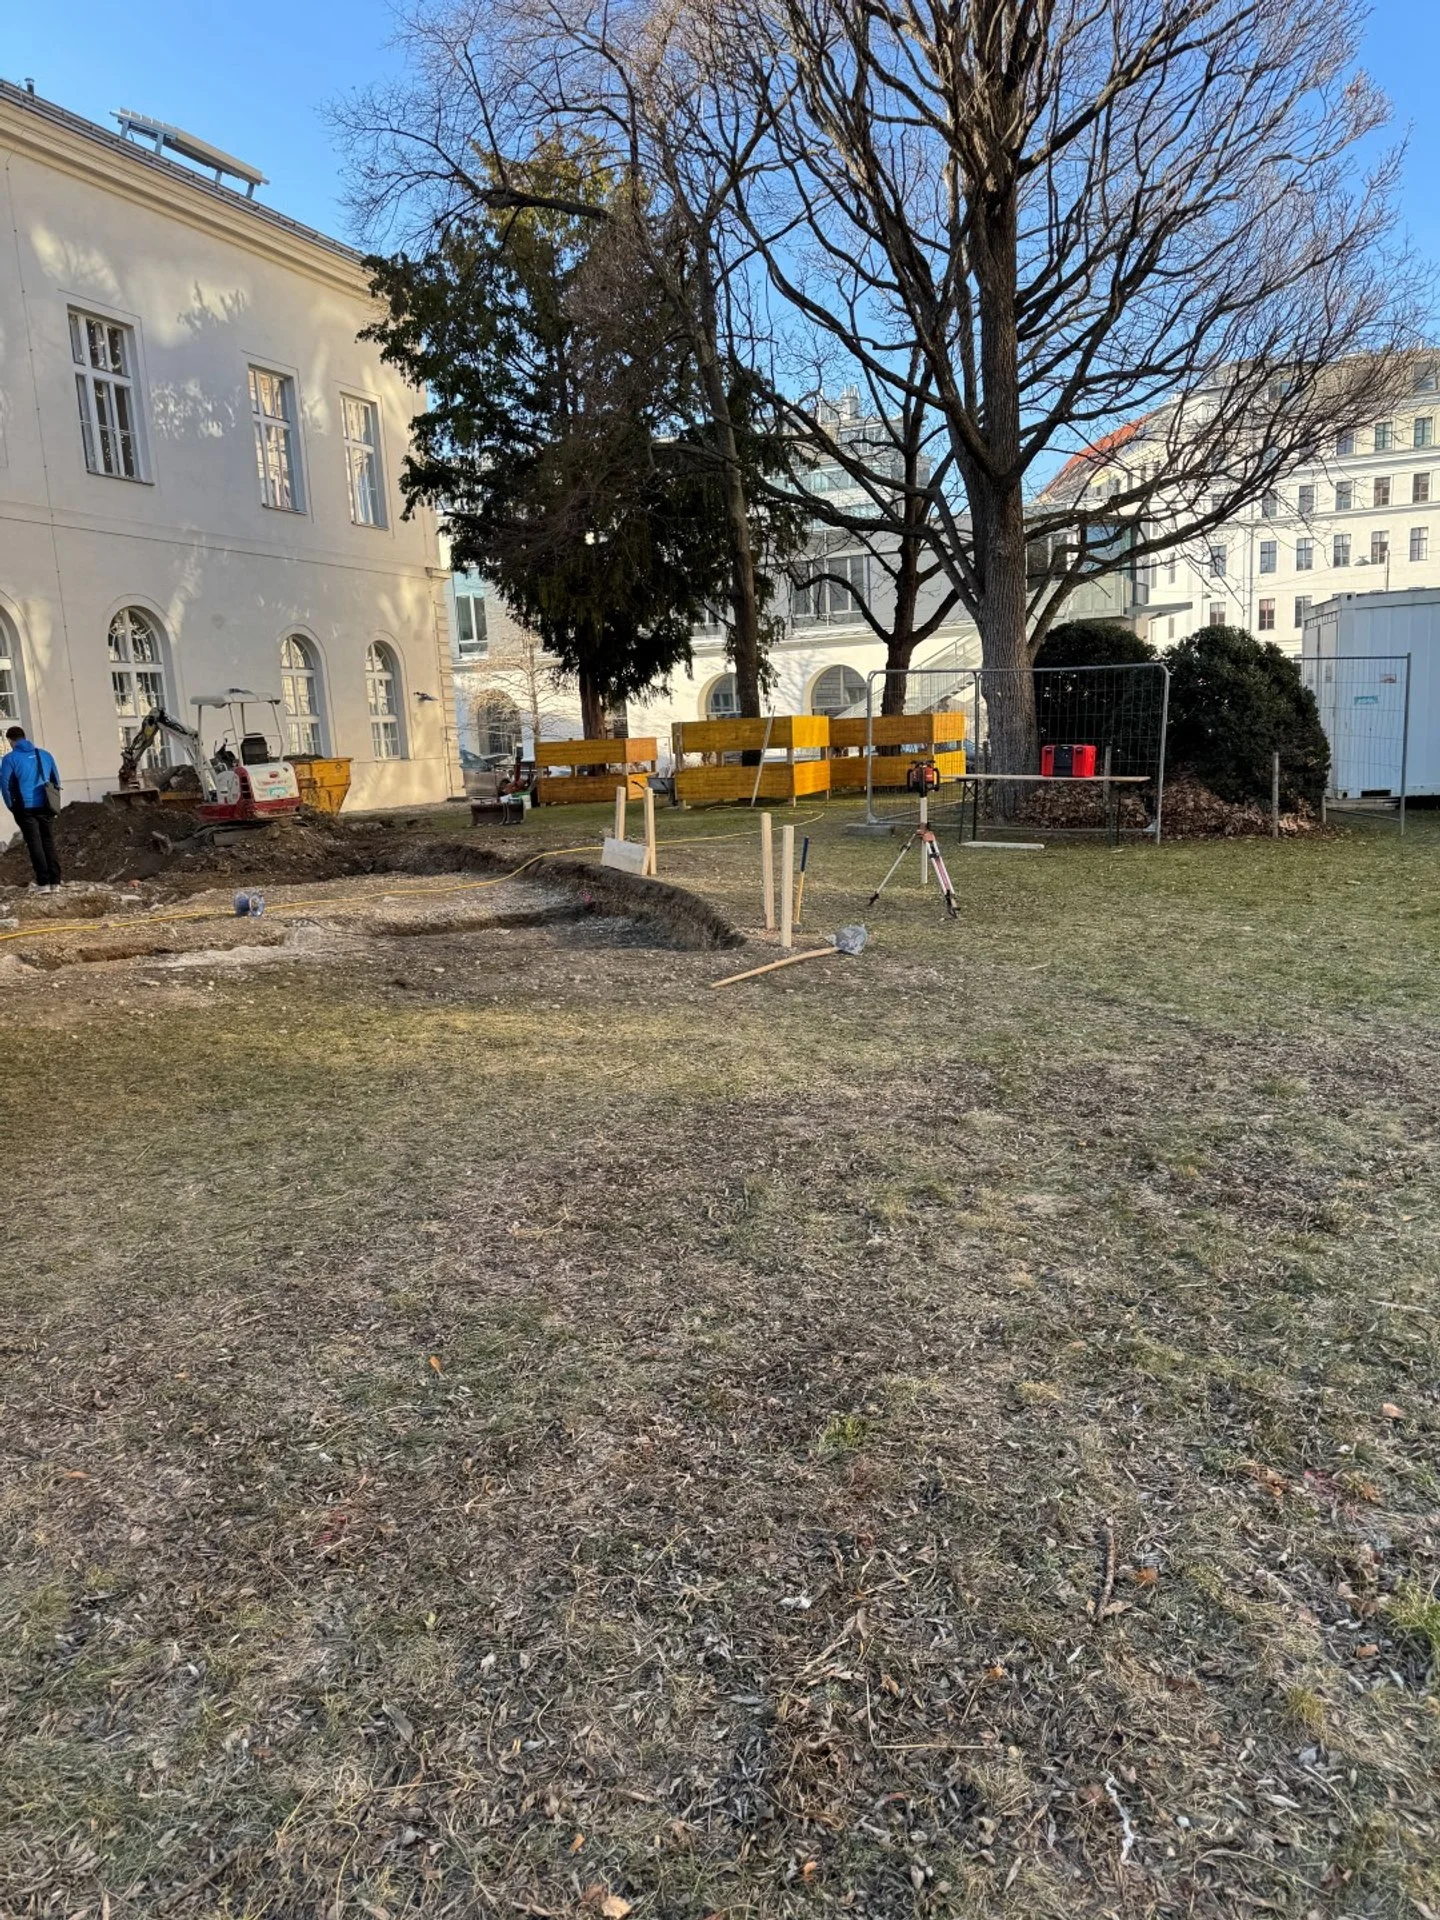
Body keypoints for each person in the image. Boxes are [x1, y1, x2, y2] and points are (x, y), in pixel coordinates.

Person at [1, 724, 63, 891]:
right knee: (48, 841)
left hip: (25, 807)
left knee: (34, 843)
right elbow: (56, 780)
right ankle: (55, 883)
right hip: (46, 805)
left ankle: (42, 883)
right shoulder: (45, 755)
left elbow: (5, 785)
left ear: (11, 741)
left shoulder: (9, 759)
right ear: (25, 737)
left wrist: (11, 806)